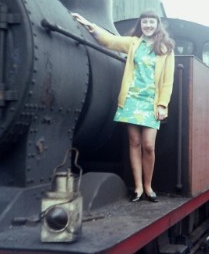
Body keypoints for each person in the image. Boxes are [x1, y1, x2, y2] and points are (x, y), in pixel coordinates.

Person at [72, 10, 175, 202]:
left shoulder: (166, 49)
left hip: (150, 103)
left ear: (157, 24)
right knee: (134, 143)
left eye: (152, 22)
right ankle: (137, 188)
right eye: (145, 22)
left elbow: (168, 81)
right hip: (131, 100)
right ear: (141, 24)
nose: (148, 25)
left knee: (149, 146)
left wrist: (162, 105)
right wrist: (88, 23)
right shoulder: (134, 43)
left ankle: (148, 186)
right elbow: (110, 41)